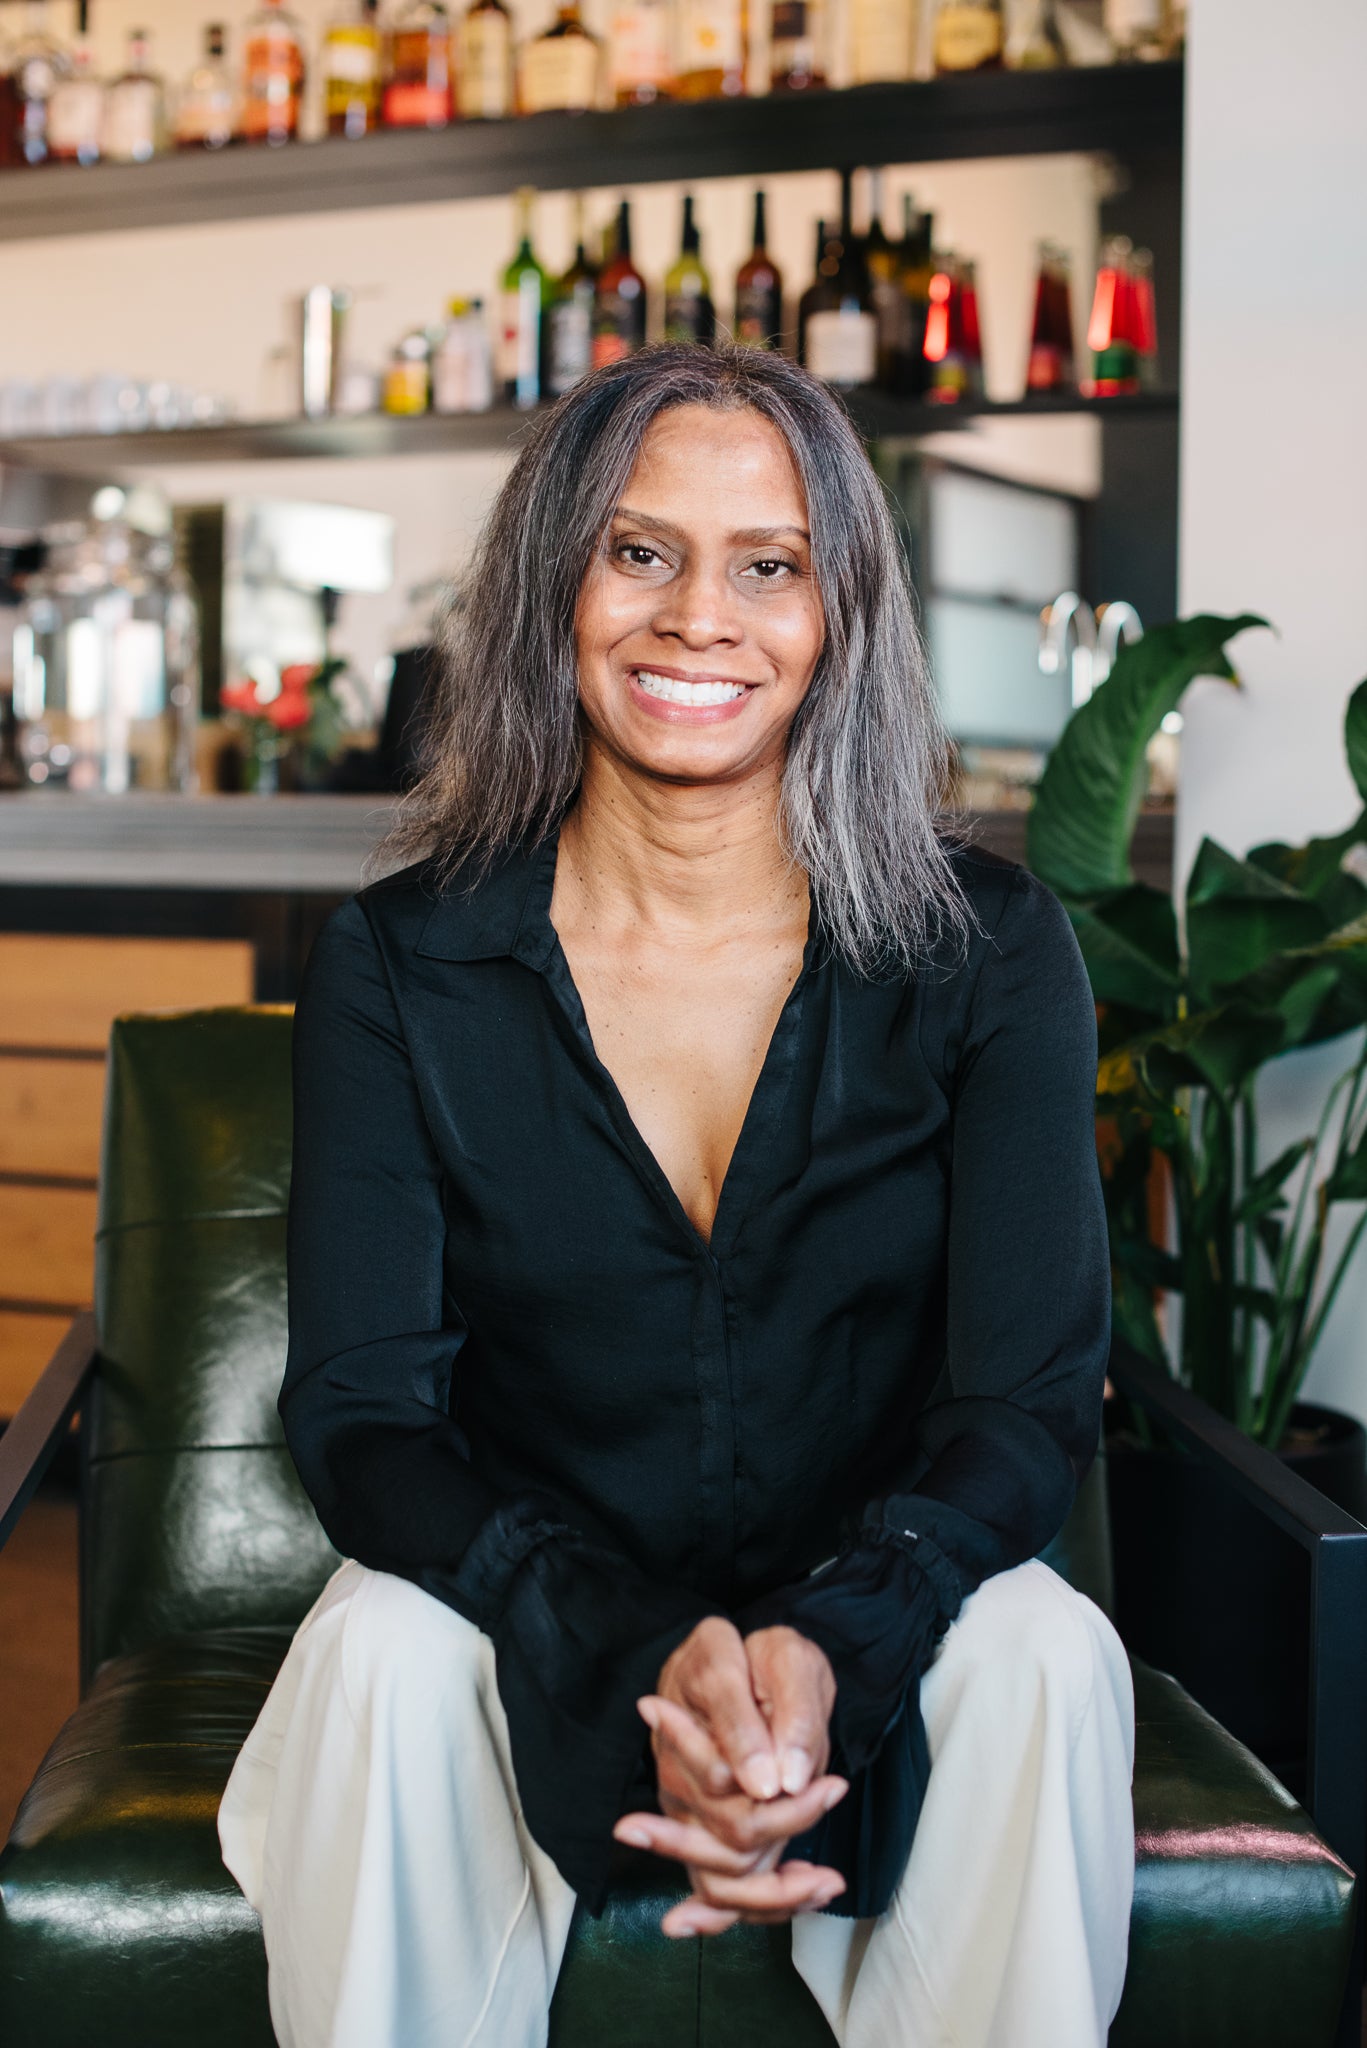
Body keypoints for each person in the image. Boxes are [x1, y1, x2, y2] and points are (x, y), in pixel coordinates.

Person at [218, 342, 1135, 2048]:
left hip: (873, 1613)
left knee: (1047, 1654)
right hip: (528, 1625)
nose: (697, 618)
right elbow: (361, 1418)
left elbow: (1019, 1404)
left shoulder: (992, 953)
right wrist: (642, 1651)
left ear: (839, 614)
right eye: (640, 553)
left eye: (767, 566)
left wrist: (831, 1653)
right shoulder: (402, 962)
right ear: (554, 585)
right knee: (371, 1652)